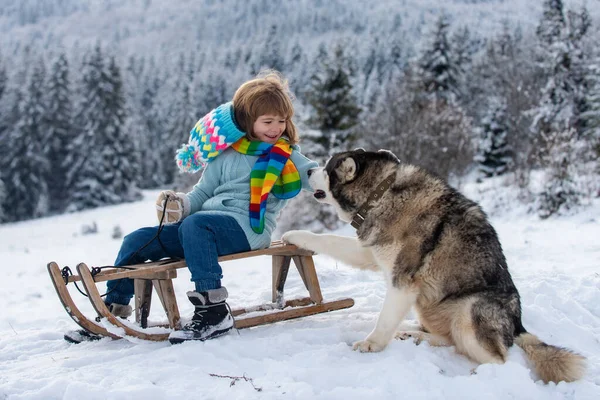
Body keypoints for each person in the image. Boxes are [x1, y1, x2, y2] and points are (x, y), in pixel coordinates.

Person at [67, 70, 318, 344]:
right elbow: (202, 192)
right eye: (267, 121)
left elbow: (314, 176)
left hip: (248, 229)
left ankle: (213, 310)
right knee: (138, 239)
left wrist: (342, 177)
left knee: (196, 224)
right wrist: (181, 204)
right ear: (247, 121)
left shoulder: (285, 155)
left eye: (281, 121)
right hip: (200, 230)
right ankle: (114, 310)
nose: (276, 128)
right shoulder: (226, 154)